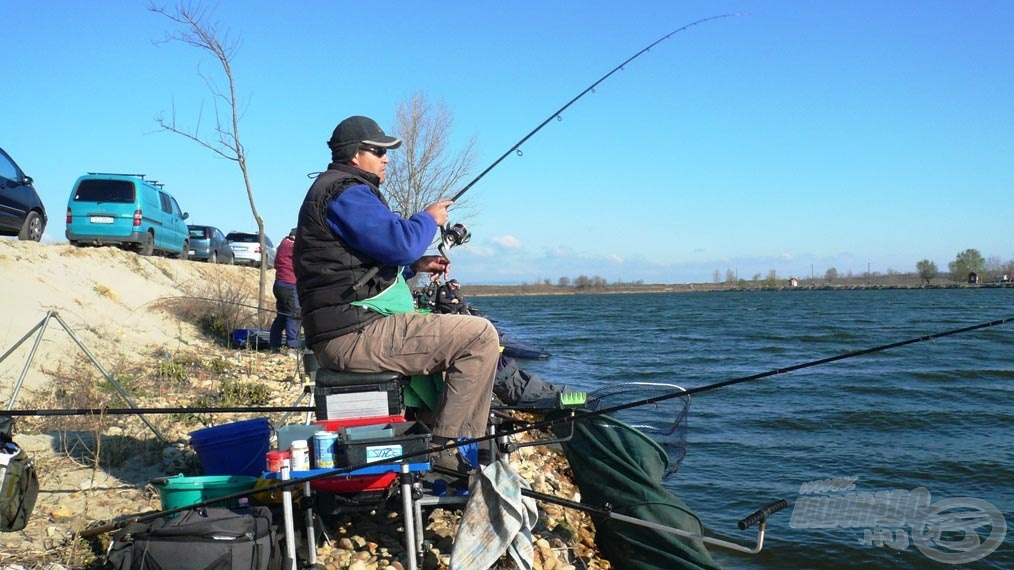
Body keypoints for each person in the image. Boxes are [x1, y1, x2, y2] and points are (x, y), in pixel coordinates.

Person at [293, 115, 499, 472]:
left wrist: (416, 266)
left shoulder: (336, 191)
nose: (386, 158)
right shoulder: (347, 193)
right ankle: (446, 448)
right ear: (354, 155)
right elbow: (400, 243)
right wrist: (428, 219)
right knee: (479, 337)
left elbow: (359, 269)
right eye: (378, 151)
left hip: (343, 330)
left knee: (456, 341)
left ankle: (434, 440)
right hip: (351, 334)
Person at [269, 228, 301, 352]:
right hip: (290, 284)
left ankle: (274, 345)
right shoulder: (293, 246)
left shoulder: (283, 243)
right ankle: (293, 347)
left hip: (279, 284)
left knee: (282, 315)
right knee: (294, 315)